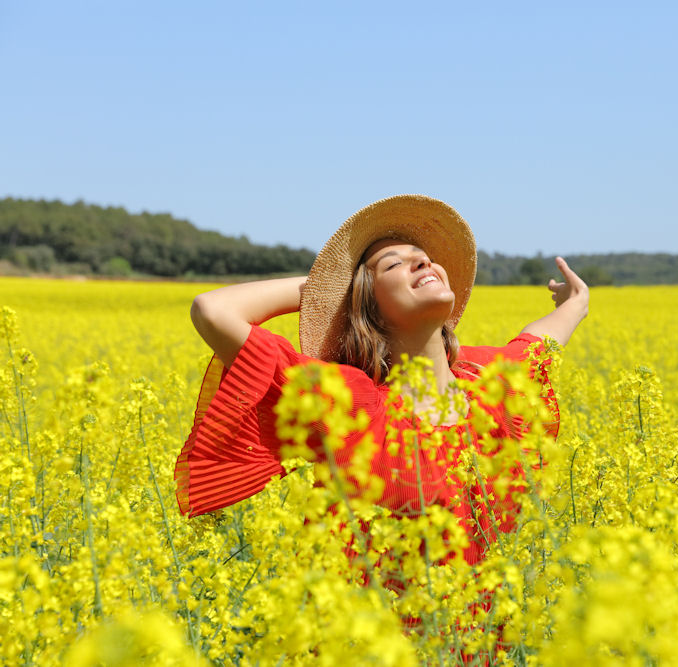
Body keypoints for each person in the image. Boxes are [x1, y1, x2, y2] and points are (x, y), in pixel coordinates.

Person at [173, 194, 589, 567]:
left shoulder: (490, 381)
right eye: (393, 264)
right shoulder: (346, 405)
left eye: (423, 255)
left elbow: (541, 340)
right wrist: (324, 290)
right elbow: (213, 311)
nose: (423, 261)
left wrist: (575, 303)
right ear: (367, 300)